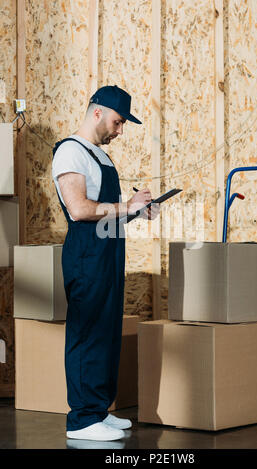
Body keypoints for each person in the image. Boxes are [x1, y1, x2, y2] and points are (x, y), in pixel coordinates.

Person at [52, 85, 159, 442]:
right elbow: (80, 209)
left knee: (106, 333)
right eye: (118, 122)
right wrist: (125, 207)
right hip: (86, 256)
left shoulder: (101, 156)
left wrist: (136, 212)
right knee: (87, 335)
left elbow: (107, 215)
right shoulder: (71, 152)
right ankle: (81, 419)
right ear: (97, 113)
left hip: (109, 253)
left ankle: (98, 410)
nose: (120, 130)